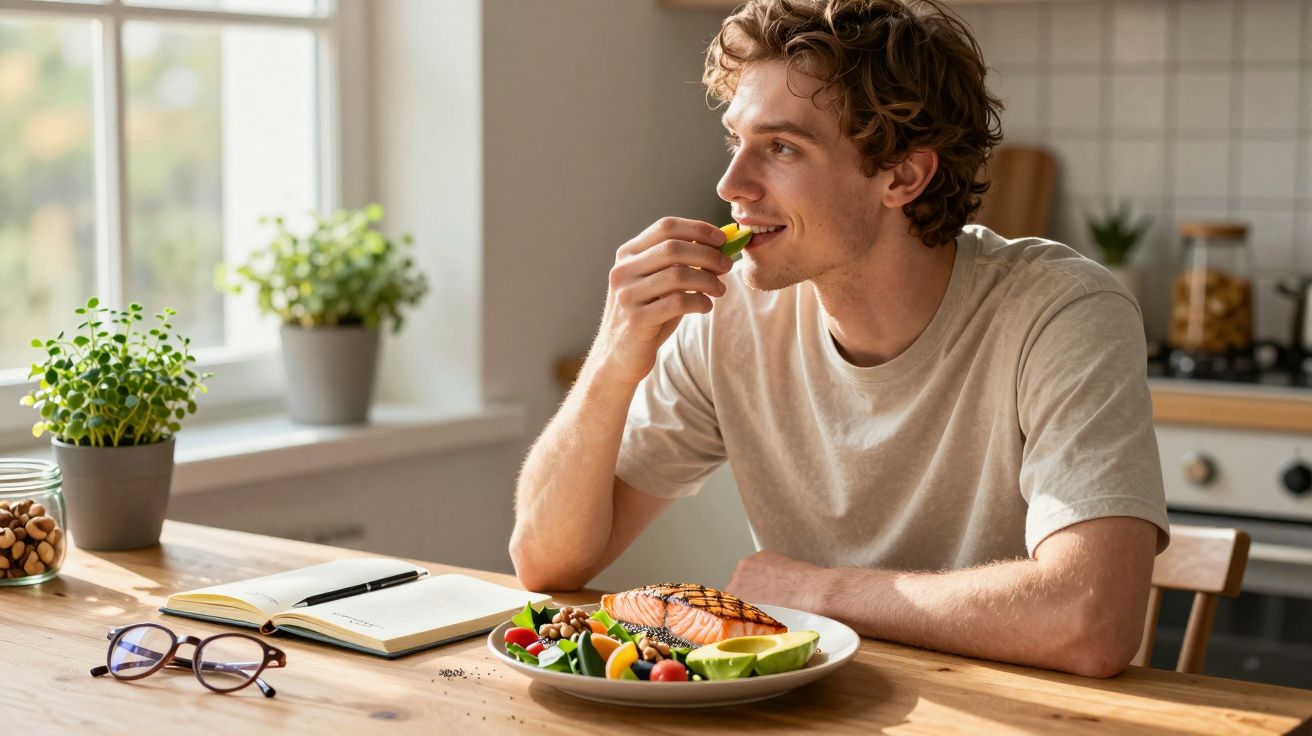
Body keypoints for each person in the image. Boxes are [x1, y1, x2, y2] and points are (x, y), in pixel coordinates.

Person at [510, 0, 1168, 678]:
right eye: (737, 141)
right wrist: (616, 355)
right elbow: (546, 560)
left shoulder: (1060, 311)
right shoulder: (726, 317)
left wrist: (817, 592)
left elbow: (1091, 618)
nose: (730, 184)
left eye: (782, 147)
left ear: (903, 175)